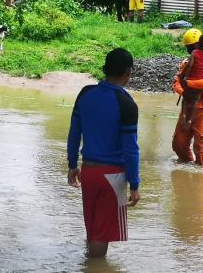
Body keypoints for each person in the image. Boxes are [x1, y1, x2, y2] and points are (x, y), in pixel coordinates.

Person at [67, 48, 141, 257]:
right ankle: (95, 267)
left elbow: (74, 133)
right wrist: (134, 185)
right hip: (112, 176)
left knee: (92, 229)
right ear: (128, 72)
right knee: (102, 234)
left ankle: (89, 263)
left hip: (88, 172)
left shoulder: (85, 94)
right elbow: (131, 149)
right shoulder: (126, 104)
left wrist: (72, 165)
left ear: (106, 69)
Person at [172, 30, 203, 166]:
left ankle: (200, 174)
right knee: (179, 144)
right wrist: (184, 91)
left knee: (202, 147)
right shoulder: (187, 62)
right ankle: (187, 171)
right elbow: (176, 81)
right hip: (187, 107)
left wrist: (187, 85)